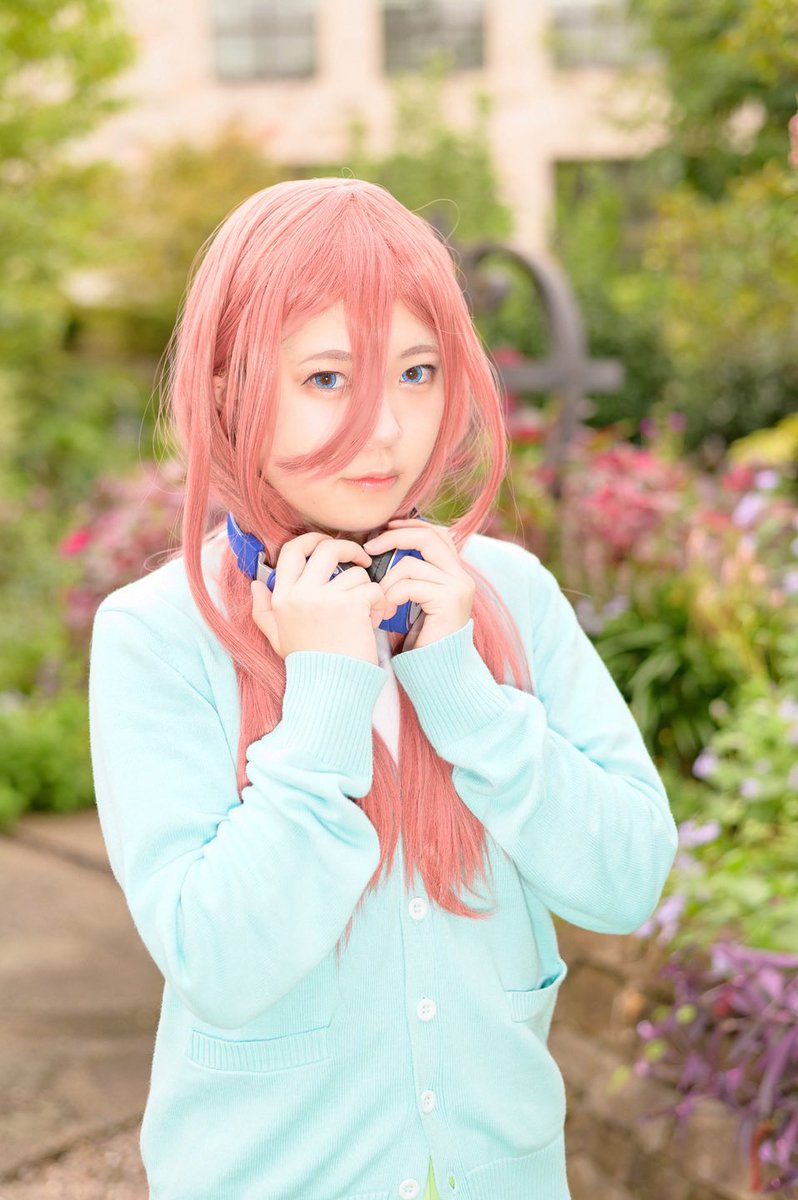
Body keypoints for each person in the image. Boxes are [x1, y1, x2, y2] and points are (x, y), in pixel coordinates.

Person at [88, 176, 678, 1200]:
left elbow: (628, 881)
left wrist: (463, 691)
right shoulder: (158, 635)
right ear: (228, 389)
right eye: (327, 377)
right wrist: (324, 700)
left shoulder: (508, 596)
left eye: (417, 372)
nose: (387, 428)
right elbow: (217, 961)